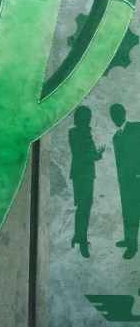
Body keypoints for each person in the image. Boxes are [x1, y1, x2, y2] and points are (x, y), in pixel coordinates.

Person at [68, 105, 104, 258]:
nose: (89, 119)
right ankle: (82, 240)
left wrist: (98, 154)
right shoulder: (80, 133)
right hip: (84, 175)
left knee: (83, 206)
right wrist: (97, 154)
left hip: (82, 175)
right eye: (86, 116)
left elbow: (91, 155)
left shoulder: (76, 132)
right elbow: (85, 154)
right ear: (81, 118)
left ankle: (79, 235)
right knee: (84, 206)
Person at [109, 104, 140, 259]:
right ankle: (129, 240)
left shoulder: (136, 128)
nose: (115, 118)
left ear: (124, 113)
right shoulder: (116, 136)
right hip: (125, 182)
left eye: (117, 114)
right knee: (128, 213)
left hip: (137, 179)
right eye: (112, 115)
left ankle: (133, 248)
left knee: (134, 213)